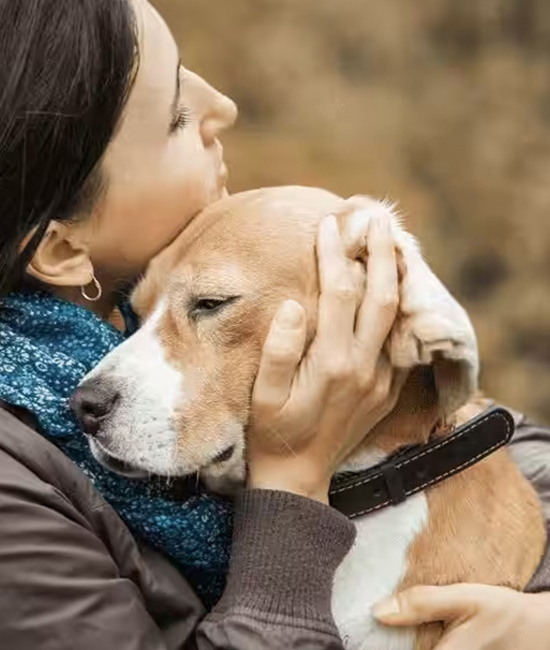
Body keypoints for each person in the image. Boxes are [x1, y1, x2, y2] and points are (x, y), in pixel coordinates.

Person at [0, 1, 548, 649]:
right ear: (62, 249)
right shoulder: (18, 493)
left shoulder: (158, 290)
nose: (223, 107)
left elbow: (491, 436)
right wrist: (292, 477)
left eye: (204, 305)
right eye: (176, 116)